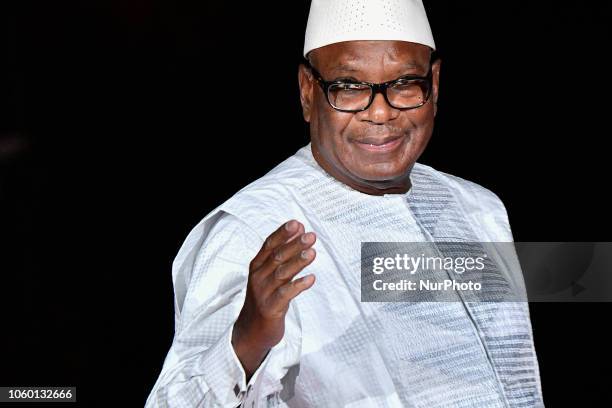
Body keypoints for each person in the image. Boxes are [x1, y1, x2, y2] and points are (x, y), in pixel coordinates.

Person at [145, 0, 544, 406]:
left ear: (434, 84)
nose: (381, 112)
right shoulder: (257, 229)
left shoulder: (477, 209)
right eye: (349, 88)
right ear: (307, 92)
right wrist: (246, 341)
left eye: (405, 83)